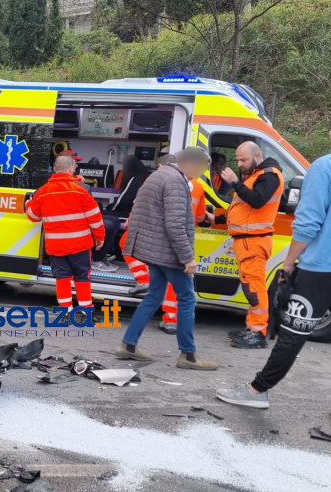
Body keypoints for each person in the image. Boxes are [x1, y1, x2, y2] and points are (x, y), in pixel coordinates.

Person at [216, 109, 331, 425]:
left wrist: (289, 261)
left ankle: (257, 391)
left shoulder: (324, 167)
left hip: (321, 267)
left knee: (293, 332)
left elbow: (308, 222)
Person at [113, 147, 218, 370]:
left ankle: (128, 345)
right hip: (168, 253)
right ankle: (188, 356)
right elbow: (175, 224)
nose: (200, 174)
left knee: (154, 296)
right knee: (188, 299)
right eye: (201, 168)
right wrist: (187, 258)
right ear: (190, 162)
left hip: (153, 250)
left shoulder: (157, 176)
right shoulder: (176, 182)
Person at [216, 142, 285, 349]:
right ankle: (252, 328)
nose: (239, 163)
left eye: (243, 159)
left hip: (254, 241)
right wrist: (216, 218)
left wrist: (236, 183)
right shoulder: (255, 175)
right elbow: (243, 210)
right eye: (237, 159)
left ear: (257, 155)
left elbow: (257, 201)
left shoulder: (269, 175)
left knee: (254, 287)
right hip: (247, 241)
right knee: (251, 286)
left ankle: (257, 333)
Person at [26, 152, 106, 308]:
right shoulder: (80, 190)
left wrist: (29, 203)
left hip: (56, 247)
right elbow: (95, 218)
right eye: (75, 167)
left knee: (62, 279)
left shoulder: (43, 192)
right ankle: (85, 312)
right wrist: (99, 238)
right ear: (70, 169)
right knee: (82, 277)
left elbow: (33, 216)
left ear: (55, 169)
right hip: (80, 245)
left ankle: (66, 312)